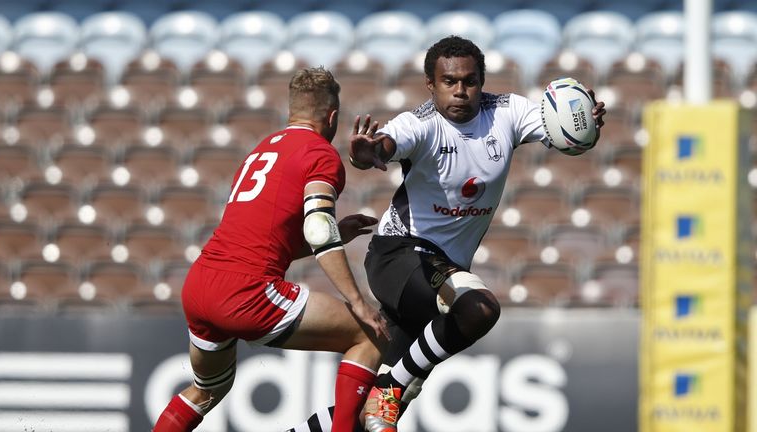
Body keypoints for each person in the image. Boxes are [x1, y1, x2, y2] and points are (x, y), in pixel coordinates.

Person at [288, 35, 606, 432]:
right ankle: (394, 384)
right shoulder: (420, 123)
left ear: (482, 82)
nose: (460, 91)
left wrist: (583, 120)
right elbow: (386, 144)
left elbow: (562, 129)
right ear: (431, 85)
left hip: (439, 273)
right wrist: (368, 153)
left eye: (470, 81)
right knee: (479, 308)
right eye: (449, 82)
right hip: (399, 256)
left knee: (362, 418)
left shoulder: (507, 112)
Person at [152, 67, 390, 432]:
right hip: (245, 291)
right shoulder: (321, 154)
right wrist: (358, 301)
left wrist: (333, 234)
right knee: (369, 333)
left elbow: (264, 241)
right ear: (332, 117)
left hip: (200, 284)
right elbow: (316, 227)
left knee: (209, 389)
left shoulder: (260, 150)